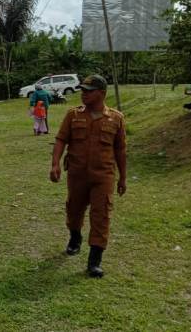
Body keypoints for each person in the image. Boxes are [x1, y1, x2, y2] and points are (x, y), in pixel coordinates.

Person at [50, 74, 126, 278]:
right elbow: (60, 140)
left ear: (101, 93)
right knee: (74, 210)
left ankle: (95, 260)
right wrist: (55, 164)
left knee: (101, 215)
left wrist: (123, 178)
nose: (83, 94)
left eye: (88, 91)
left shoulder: (116, 118)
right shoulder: (73, 115)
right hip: (77, 174)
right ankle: (75, 237)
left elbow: (120, 150)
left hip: (104, 175)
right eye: (82, 90)